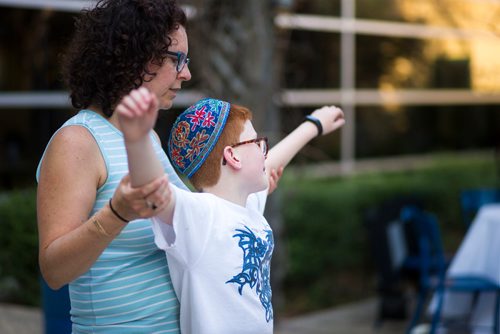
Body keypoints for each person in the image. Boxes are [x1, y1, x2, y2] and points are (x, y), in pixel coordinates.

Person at [116, 88, 345, 333]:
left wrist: (314, 125)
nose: (264, 151)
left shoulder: (246, 206)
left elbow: (273, 163)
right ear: (233, 157)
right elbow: (152, 193)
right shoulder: (199, 215)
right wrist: (137, 139)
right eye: (258, 143)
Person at [36, 0, 191, 332]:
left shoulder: (145, 139)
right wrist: (117, 213)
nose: (186, 73)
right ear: (134, 58)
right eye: (176, 59)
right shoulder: (78, 142)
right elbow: (54, 270)